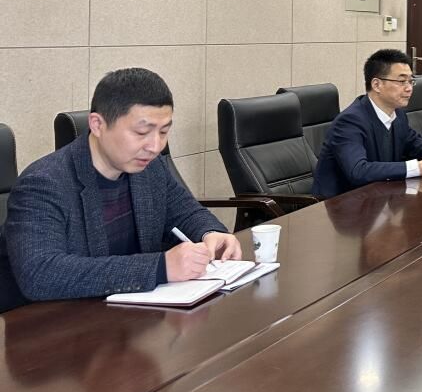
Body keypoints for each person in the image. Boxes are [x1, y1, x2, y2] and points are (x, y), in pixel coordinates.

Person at [0, 68, 242, 312]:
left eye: (164, 132)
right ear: (97, 124)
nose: (155, 146)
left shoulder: (150, 168)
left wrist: (210, 233)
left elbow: (186, 213)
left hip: (129, 316)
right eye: (141, 132)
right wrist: (161, 267)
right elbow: (40, 273)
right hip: (55, 321)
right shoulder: (44, 183)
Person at [312, 48, 422, 198]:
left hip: (379, 198)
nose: (409, 88)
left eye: (411, 81)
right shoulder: (350, 121)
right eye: (401, 81)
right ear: (376, 84)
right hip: (341, 207)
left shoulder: (397, 114)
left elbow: (417, 144)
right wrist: (418, 168)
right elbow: (358, 171)